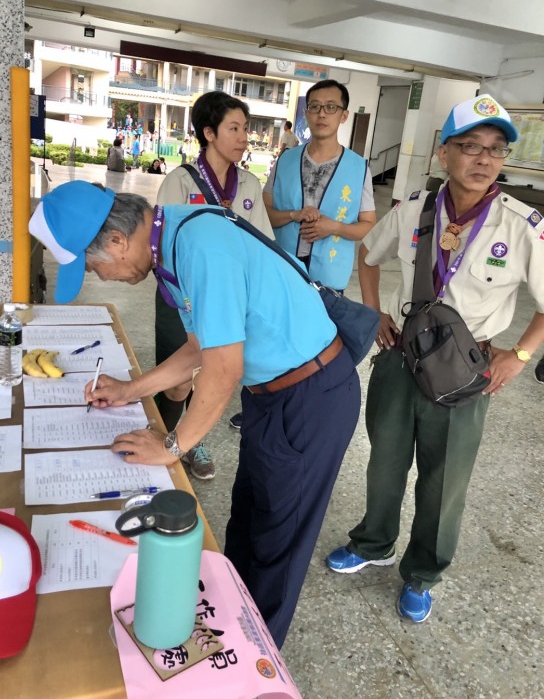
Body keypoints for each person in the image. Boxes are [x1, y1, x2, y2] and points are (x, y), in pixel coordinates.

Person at [28, 180, 361, 649]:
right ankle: (232, 624)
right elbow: (198, 348)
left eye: (92, 264)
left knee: (277, 548)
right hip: (272, 395)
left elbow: (223, 370)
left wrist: (171, 448)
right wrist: (131, 390)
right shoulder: (173, 243)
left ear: (118, 242)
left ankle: (256, 661)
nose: (100, 276)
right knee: (246, 523)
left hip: (310, 396)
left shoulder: (200, 247)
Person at [326, 94, 544, 623]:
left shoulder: (521, 225)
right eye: (470, 146)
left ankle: (423, 573)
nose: (484, 159)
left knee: (445, 481)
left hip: (469, 372)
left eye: (496, 149)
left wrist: (519, 353)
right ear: (443, 154)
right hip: (402, 361)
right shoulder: (410, 212)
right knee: (385, 463)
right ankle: (373, 541)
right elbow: (368, 254)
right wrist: (374, 312)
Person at [154, 91, 274, 478]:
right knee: (177, 381)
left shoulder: (249, 186)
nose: (243, 137)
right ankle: (163, 437)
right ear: (209, 132)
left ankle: (192, 442)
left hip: (227, 302)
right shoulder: (179, 181)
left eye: (246, 129)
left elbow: (263, 244)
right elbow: (161, 244)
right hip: (183, 300)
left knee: (211, 374)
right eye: (234, 129)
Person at [263, 79, 377, 293]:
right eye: (314, 106)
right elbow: (264, 213)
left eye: (331, 107)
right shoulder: (285, 161)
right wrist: (292, 215)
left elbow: (369, 225)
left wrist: (335, 227)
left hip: (329, 280)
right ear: (306, 113)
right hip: (283, 271)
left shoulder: (358, 168)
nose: (321, 114)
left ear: (344, 116)